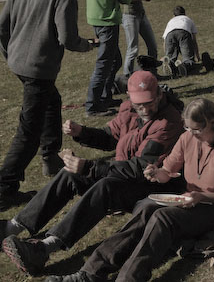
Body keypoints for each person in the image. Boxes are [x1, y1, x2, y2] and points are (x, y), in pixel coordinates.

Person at [0, 71, 183, 277]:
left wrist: (90, 168)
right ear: (130, 98)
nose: (144, 109)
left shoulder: (168, 123)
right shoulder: (129, 111)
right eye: (139, 104)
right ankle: (12, 228)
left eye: (149, 103)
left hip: (151, 185)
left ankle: (44, 248)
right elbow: (110, 136)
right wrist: (82, 132)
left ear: (159, 95)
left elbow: (140, 167)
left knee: (106, 186)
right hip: (124, 174)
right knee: (70, 174)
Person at [47, 98, 214, 282]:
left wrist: (202, 196)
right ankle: (90, 273)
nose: (191, 133)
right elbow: (168, 170)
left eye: (196, 129)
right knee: (146, 208)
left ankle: (129, 278)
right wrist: (156, 173)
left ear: (212, 122)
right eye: (188, 128)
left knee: (163, 218)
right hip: (190, 200)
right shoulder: (188, 138)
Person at [0, 0, 94, 209]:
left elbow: (2, 27)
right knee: (28, 131)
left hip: (20, 64)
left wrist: (10, 54)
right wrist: (86, 45)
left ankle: (51, 158)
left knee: (52, 102)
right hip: (38, 70)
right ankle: (5, 188)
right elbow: (68, 38)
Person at [84, 0, 134, 116]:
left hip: (96, 18)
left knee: (115, 60)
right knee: (104, 64)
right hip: (107, 20)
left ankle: (105, 97)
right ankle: (92, 105)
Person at [121, 0, 158, 78]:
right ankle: (127, 77)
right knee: (133, 49)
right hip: (130, 16)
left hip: (141, 14)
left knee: (152, 45)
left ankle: (152, 74)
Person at [161, 6, 200, 77]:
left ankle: (170, 64)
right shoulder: (188, 19)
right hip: (184, 33)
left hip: (170, 34)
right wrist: (197, 55)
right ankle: (185, 65)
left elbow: (165, 40)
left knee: (171, 58)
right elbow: (194, 40)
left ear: (174, 15)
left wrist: (166, 55)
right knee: (188, 59)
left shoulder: (171, 21)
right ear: (184, 13)